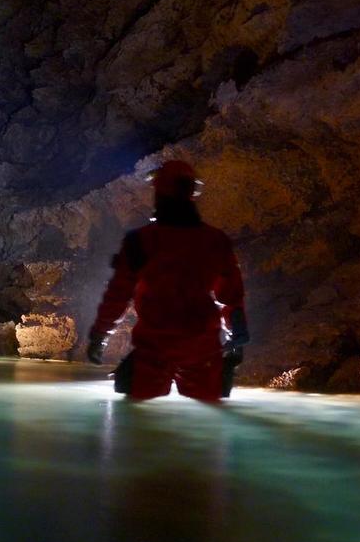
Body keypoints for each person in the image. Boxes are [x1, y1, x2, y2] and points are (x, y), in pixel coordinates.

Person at [86, 160, 248, 401]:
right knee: (209, 409)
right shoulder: (215, 241)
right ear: (192, 192)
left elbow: (118, 295)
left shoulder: (140, 241)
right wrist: (238, 335)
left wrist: (100, 335)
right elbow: (231, 297)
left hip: (154, 348)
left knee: (133, 405)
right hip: (201, 348)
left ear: (159, 192)